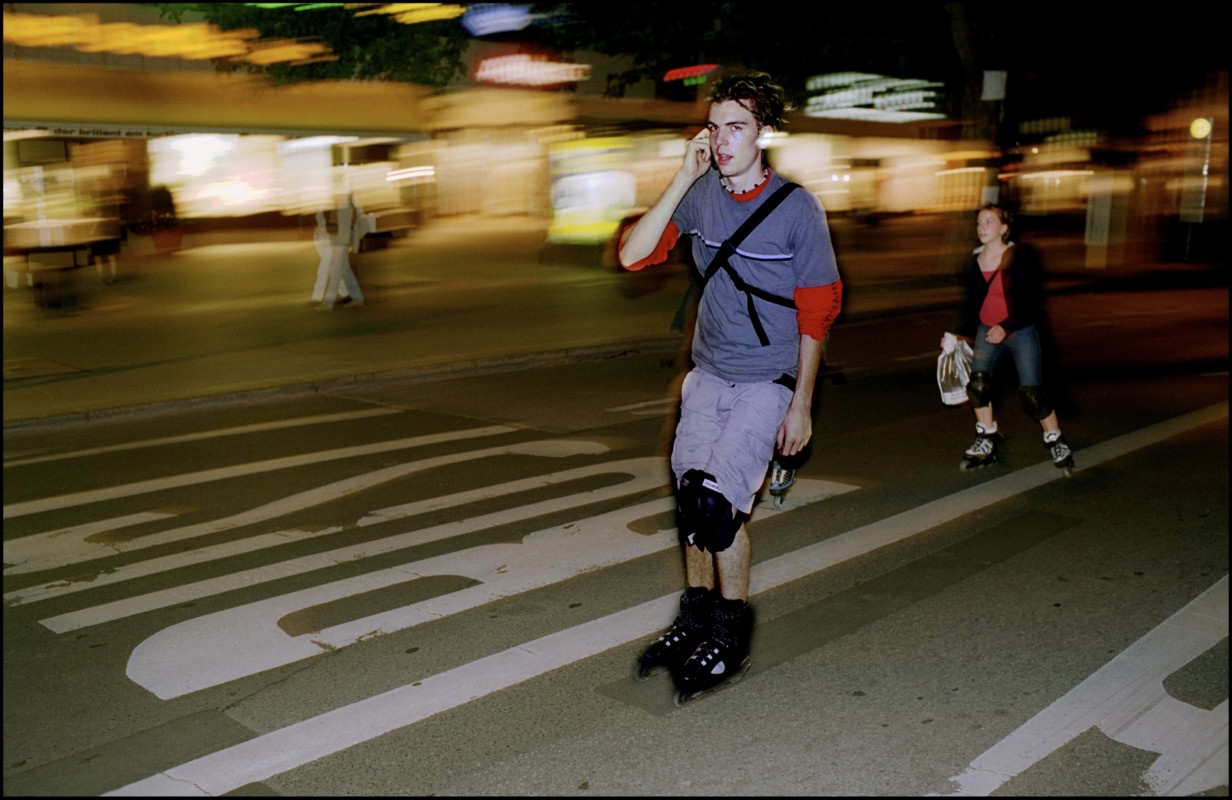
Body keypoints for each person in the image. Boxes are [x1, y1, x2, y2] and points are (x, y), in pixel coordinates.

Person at [618, 72, 843, 702]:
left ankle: (731, 634)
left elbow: (818, 313)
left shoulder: (798, 209)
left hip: (768, 378)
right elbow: (635, 255)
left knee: (717, 509)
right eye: (714, 127)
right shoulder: (701, 195)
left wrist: (801, 405)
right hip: (708, 372)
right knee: (691, 503)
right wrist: (681, 178)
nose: (721, 140)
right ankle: (695, 617)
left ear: (762, 133)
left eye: (736, 127)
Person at [942, 203, 1074, 474]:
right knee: (978, 386)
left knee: (1032, 395)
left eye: (989, 222)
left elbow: (1031, 302)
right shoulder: (973, 261)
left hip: (1020, 330)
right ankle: (986, 438)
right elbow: (969, 302)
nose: (982, 227)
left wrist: (1007, 326)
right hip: (987, 329)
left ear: (1004, 228)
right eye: (979, 222)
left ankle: (1056, 440)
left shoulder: (1020, 257)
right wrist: (954, 333)